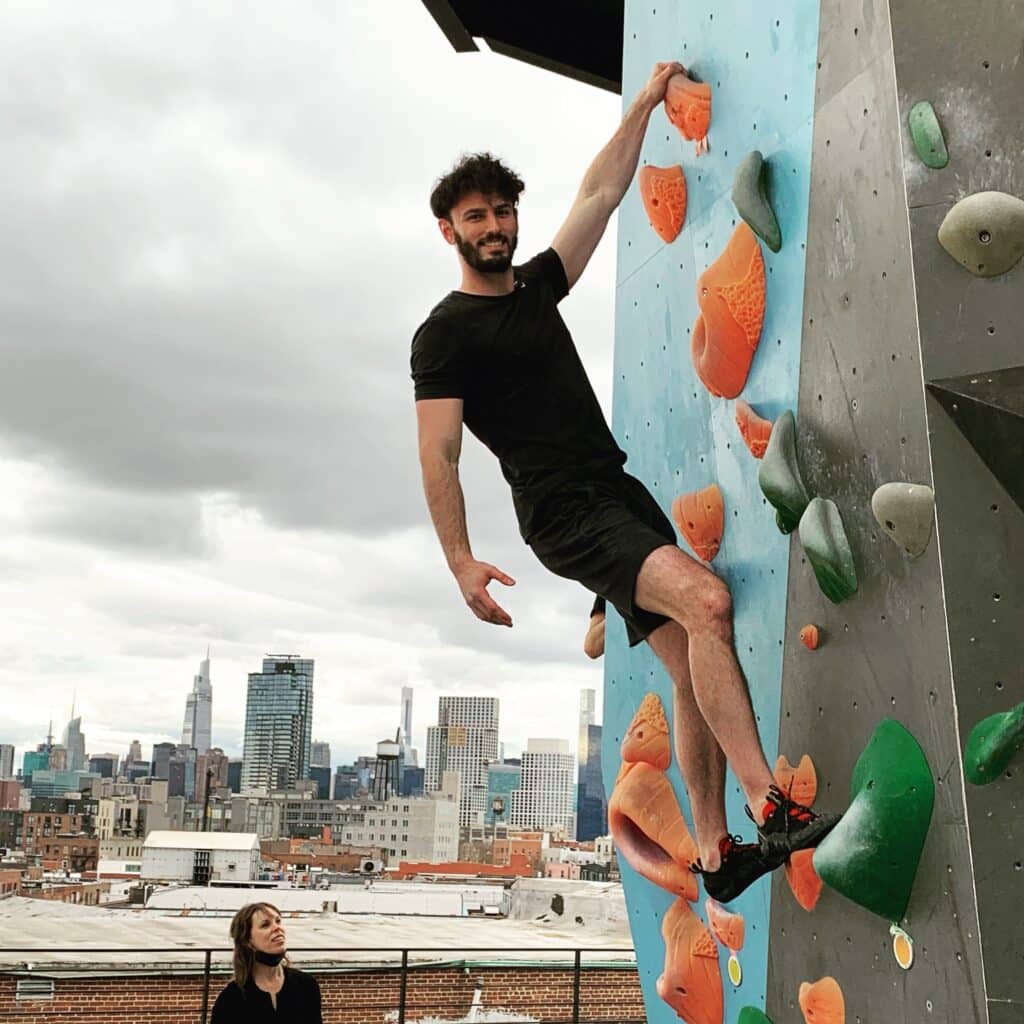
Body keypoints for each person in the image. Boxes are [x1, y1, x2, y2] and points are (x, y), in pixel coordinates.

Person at [410, 60, 841, 903]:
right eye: (475, 217)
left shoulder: (534, 288)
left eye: (501, 212)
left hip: (616, 492)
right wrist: (460, 559)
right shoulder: (444, 335)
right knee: (709, 600)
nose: (493, 225)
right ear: (448, 231)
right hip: (563, 513)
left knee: (689, 667)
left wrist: (644, 101)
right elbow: (441, 455)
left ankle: (718, 857)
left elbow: (601, 195)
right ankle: (769, 807)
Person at [211, 902, 323, 1022]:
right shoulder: (231, 999)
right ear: (247, 941)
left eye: (278, 921)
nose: (277, 928)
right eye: (265, 925)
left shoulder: (306, 985)